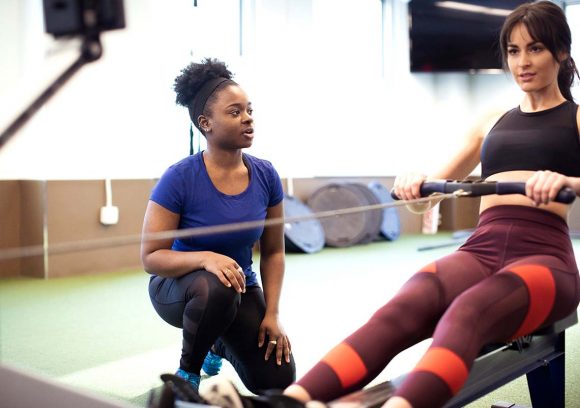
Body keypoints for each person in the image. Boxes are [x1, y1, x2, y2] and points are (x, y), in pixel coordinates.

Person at [200, 2, 580, 408]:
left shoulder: (574, 118)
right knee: (407, 303)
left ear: (560, 52)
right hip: (481, 249)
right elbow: (430, 197)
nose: (522, 61)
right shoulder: (491, 120)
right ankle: (289, 402)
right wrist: (416, 186)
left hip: (544, 258)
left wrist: (567, 180)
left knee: (468, 310)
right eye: (513, 50)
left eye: (535, 48)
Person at [140, 58, 295, 394]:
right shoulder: (179, 178)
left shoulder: (266, 175)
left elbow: (273, 252)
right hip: (180, 289)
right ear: (206, 122)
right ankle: (187, 376)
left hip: (239, 288)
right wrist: (205, 257)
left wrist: (272, 314)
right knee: (216, 287)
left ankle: (217, 345)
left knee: (278, 379)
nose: (248, 117)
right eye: (235, 112)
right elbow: (151, 256)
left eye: (249, 109)